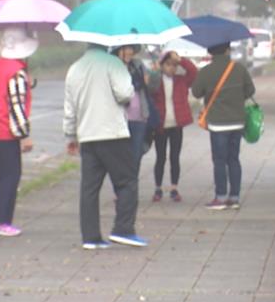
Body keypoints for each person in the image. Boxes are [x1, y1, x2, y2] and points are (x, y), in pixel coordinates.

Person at [64, 44, 149, 249]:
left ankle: (90, 237)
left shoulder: (74, 68)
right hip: (112, 133)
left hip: (87, 134)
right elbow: (125, 94)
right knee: (127, 180)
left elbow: (70, 106)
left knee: (90, 188)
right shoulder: (113, 64)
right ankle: (123, 229)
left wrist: (70, 135)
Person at [0, 26, 37, 237]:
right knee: (10, 175)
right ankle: (3, 220)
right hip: (6, 129)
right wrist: (24, 135)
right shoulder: (16, 72)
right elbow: (16, 105)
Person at [191, 42, 256, 210]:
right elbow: (250, 91)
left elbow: (196, 92)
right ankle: (234, 197)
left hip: (218, 124)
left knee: (219, 161)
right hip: (237, 122)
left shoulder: (206, 71)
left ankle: (220, 197)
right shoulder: (239, 69)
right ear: (227, 50)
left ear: (210, 51)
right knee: (233, 159)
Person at [148, 50, 198, 202]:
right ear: (162, 65)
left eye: (174, 66)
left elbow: (194, 72)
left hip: (176, 124)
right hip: (161, 125)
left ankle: (174, 187)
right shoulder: (156, 81)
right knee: (160, 157)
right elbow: (149, 88)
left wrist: (181, 60)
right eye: (168, 65)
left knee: (175, 157)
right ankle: (158, 188)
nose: (172, 68)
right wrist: (155, 71)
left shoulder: (181, 80)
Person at [112, 44, 151, 169]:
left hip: (139, 116)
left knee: (137, 153)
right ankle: (124, 182)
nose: (129, 52)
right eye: (125, 49)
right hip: (119, 118)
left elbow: (148, 85)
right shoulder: (113, 67)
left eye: (131, 49)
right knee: (120, 154)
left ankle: (132, 182)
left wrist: (150, 77)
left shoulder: (138, 65)